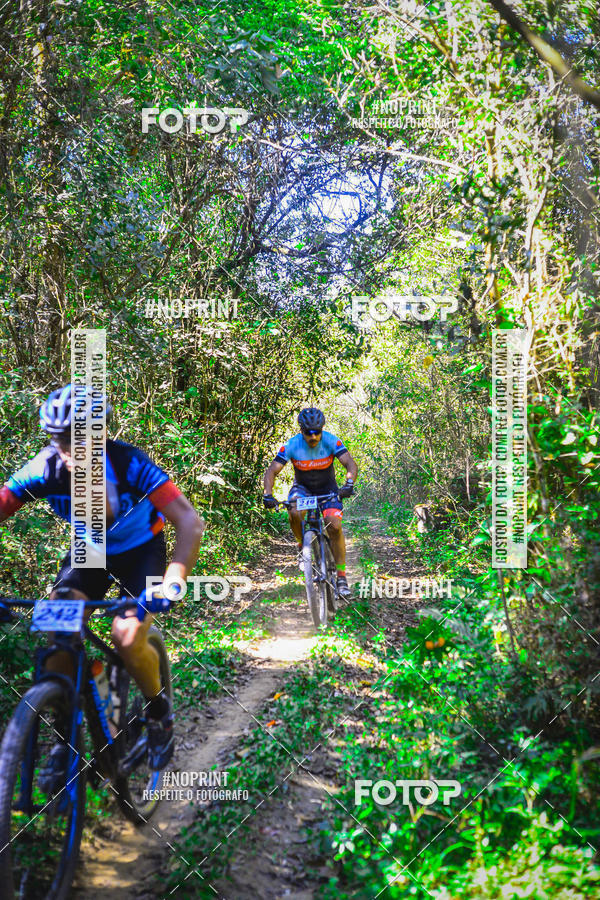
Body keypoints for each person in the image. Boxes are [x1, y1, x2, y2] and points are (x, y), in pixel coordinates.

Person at [0, 384, 205, 776]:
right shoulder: (44, 469)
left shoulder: (129, 464)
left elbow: (189, 522)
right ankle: (66, 736)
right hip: (89, 553)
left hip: (140, 550)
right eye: (60, 438)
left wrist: (173, 580)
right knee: (58, 623)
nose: (69, 448)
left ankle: (158, 712)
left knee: (126, 635)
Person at [262, 407, 358, 599]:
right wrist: (268, 494)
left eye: (317, 432)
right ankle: (301, 546)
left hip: (327, 489)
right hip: (302, 489)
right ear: (301, 431)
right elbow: (272, 470)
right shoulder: (292, 444)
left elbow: (350, 463)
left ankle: (341, 577)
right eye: (308, 433)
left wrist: (348, 483)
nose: (313, 437)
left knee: (334, 525)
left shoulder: (331, 440)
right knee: (295, 511)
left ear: (322, 430)